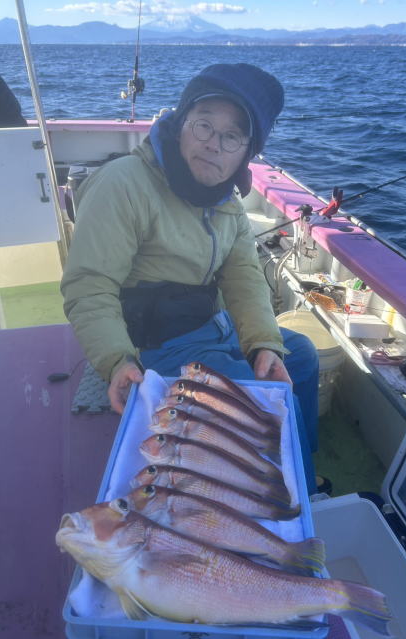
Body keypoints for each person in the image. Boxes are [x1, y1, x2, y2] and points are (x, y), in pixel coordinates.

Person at [61, 63, 323, 494]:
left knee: (302, 357)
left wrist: (263, 343)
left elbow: (243, 276)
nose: (213, 145)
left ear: (247, 151)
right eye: (204, 125)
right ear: (181, 121)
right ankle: (293, 497)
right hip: (157, 343)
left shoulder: (224, 198)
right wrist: (116, 360)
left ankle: (302, 467)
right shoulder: (123, 184)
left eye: (232, 136)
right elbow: (89, 285)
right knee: (273, 402)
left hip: (214, 326)